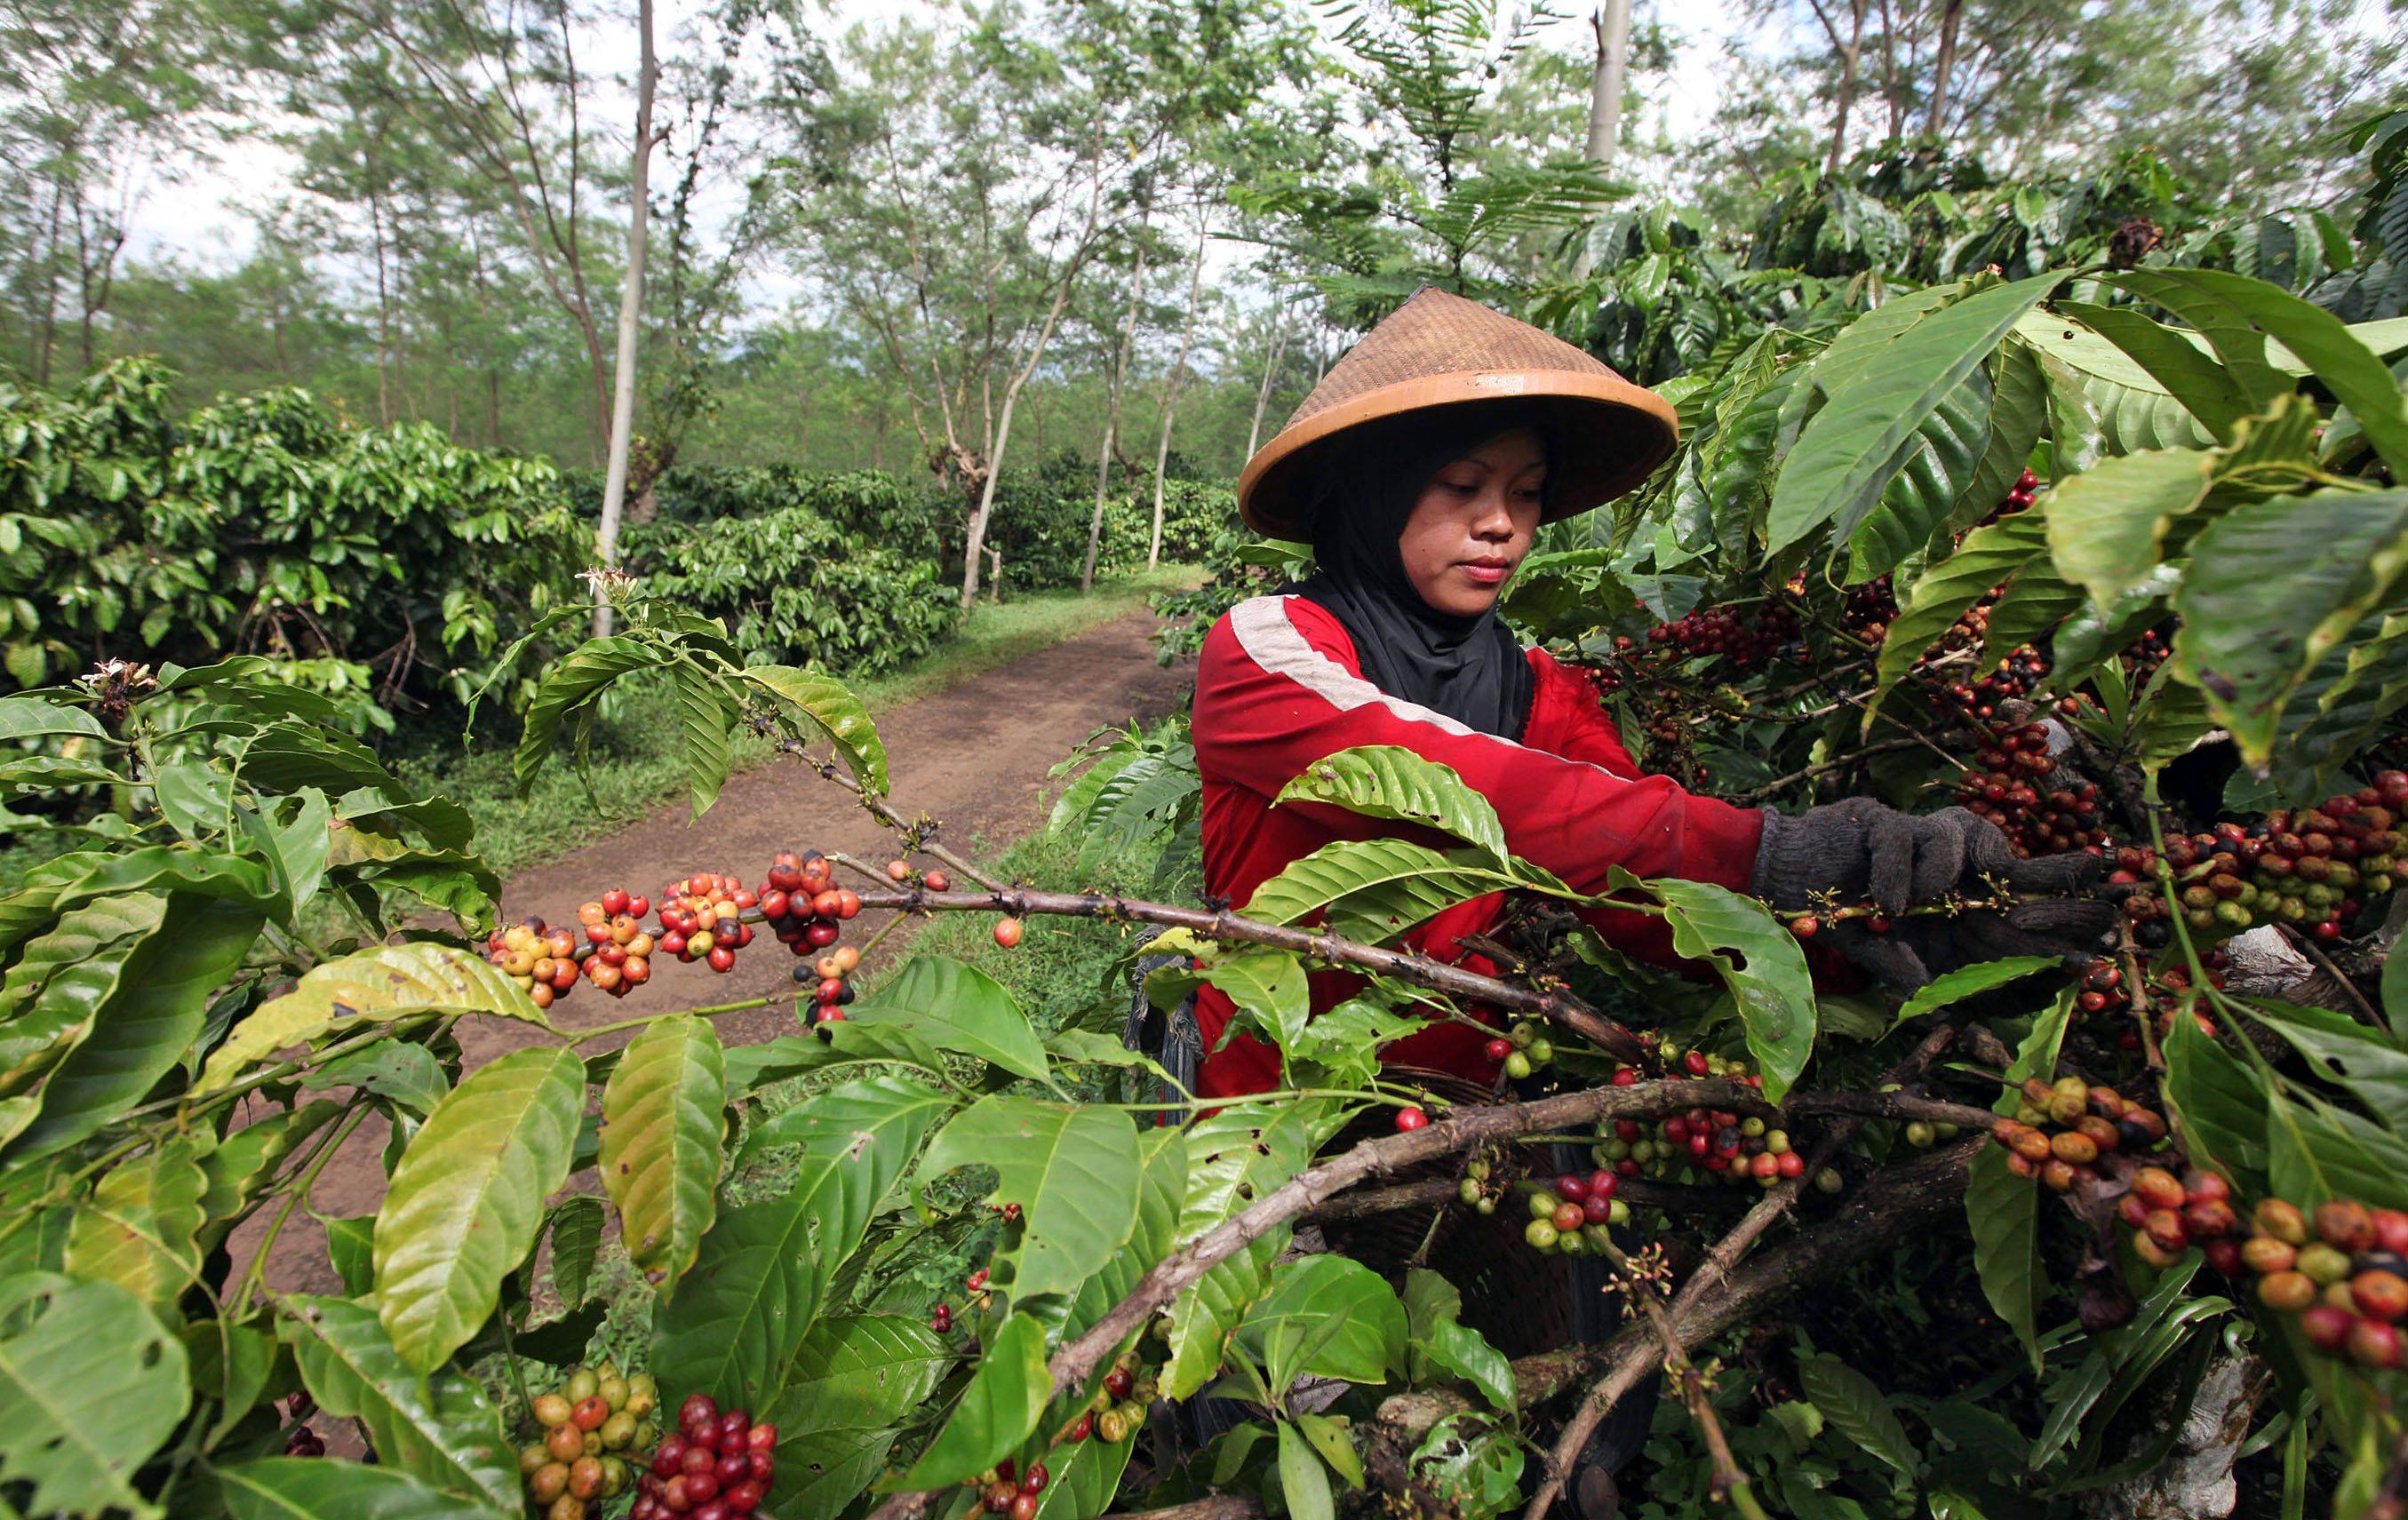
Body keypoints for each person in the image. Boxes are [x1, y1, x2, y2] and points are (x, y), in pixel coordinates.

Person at [1190, 286, 2109, 1102]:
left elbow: (1638, 888)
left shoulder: (1540, 690)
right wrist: (1774, 852)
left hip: (1454, 1095)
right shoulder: (1267, 649)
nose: (1502, 524)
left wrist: (1857, 932)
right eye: (1460, 485)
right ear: (1368, 494)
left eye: (1527, 491)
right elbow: (1447, 778)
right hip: (1268, 1095)